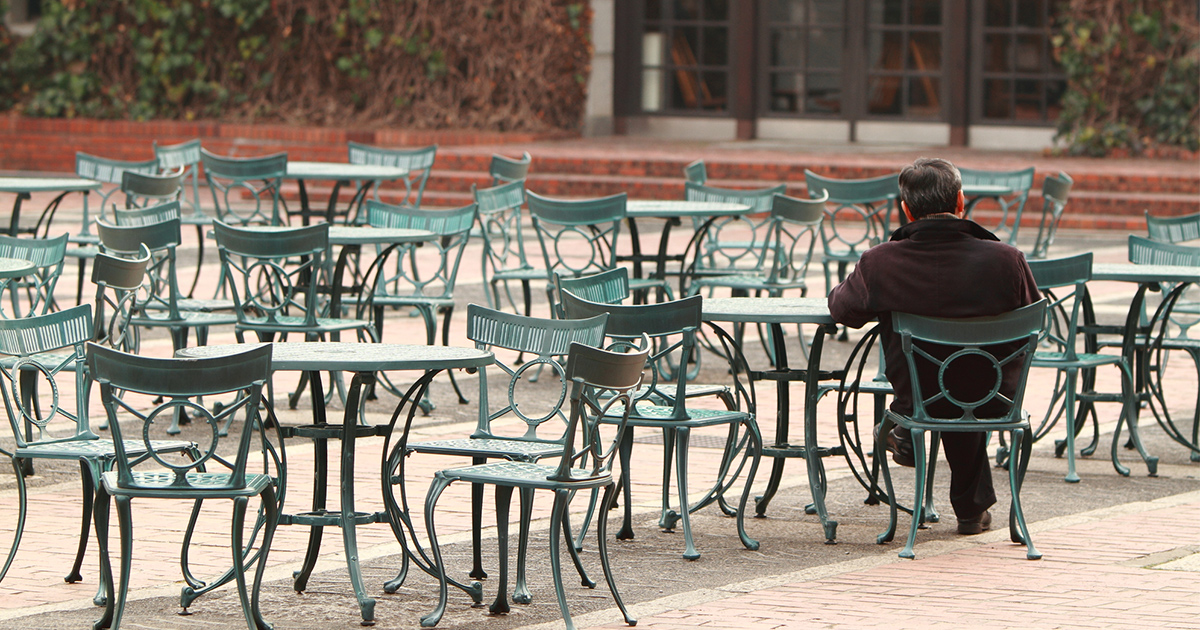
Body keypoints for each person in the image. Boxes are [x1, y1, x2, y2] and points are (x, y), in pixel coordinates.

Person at [827, 157, 1041, 535]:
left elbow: (844, 311)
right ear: (961, 201)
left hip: (917, 399)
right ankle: (971, 511)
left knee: (941, 382)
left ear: (906, 210)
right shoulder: (1007, 260)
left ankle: (909, 433)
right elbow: (1033, 323)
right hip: (993, 398)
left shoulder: (880, 262)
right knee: (969, 377)